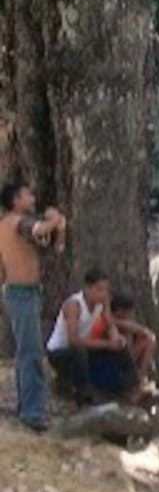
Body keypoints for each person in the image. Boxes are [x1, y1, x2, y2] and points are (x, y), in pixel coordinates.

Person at [0, 182, 67, 431]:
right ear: (16, 199)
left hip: (24, 293)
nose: (32, 197)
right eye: (28, 194)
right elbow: (40, 227)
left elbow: (55, 246)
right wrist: (54, 217)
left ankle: (25, 405)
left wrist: (58, 227)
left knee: (25, 352)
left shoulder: (15, 226)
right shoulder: (16, 222)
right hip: (21, 293)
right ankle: (32, 412)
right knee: (31, 353)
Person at [45, 270, 137, 403]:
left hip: (85, 347)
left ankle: (131, 387)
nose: (103, 294)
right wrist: (106, 344)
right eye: (99, 289)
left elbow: (109, 323)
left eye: (105, 289)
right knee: (79, 351)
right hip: (60, 352)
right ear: (87, 289)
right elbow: (73, 340)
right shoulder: (74, 305)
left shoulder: (103, 302)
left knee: (121, 347)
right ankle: (84, 396)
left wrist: (115, 338)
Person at [109, 294, 157, 385]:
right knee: (149, 340)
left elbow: (145, 334)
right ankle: (139, 378)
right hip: (114, 363)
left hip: (126, 360)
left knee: (148, 340)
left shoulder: (125, 325)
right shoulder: (111, 322)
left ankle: (140, 376)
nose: (131, 315)